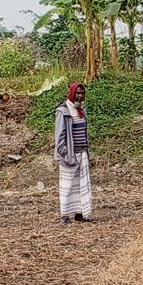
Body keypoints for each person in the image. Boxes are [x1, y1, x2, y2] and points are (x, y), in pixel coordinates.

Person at [54, 82, 93, 224]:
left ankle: (80, 213)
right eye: (77, 93)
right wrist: (64, 154)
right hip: (70, 155)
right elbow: (59, 136)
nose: (80, 95)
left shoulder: (81, 110)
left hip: (82, 154)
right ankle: (64, 215)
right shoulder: (64, 111)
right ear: (71, 93)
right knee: (67, 185)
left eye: (82, 93)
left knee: (81, 184)